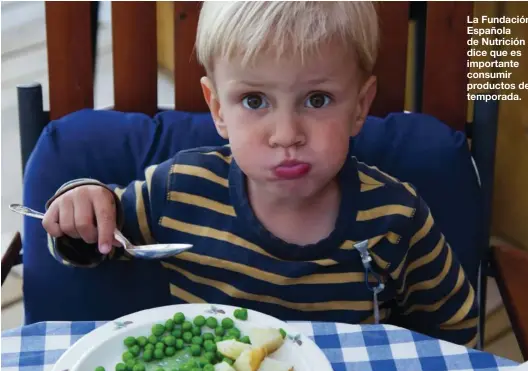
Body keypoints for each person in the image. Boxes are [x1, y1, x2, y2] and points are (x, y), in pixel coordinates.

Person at [42, 1, 478, 347]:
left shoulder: (396, 219)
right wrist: (84, 201)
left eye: (318, 99)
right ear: (217, 109)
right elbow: (100, 234)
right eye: (254, 101)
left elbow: (456, 333)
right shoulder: (179, 191)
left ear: (360, 107)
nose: (286, 135)